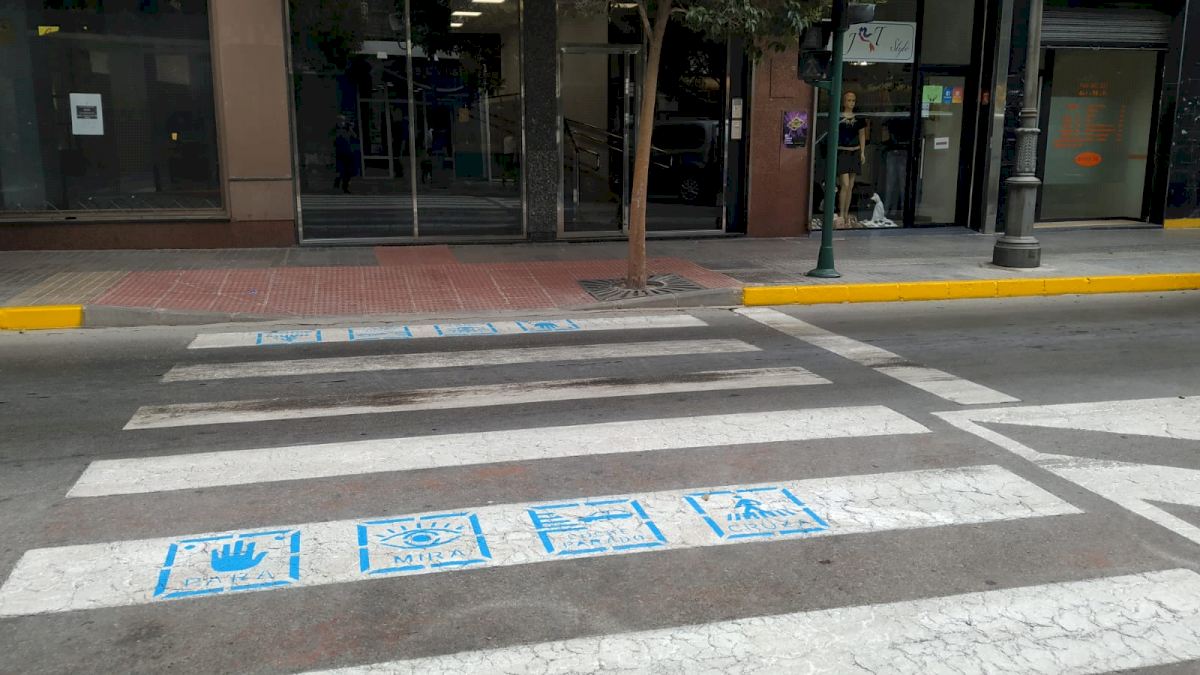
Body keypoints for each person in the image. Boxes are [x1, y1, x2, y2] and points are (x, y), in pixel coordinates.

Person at [836, 91, 868, 227]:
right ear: (844, 102)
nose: (851, 103)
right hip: (842, 151)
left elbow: (862, 135)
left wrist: (862, 152)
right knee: (845, 184)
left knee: (850, 186)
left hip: (855, 152)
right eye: (848, 100)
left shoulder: (859, 118)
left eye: (853, 100)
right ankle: (841, 213)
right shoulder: (838, 117)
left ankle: (846, 213)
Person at [332, 115, 359, 194]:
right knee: (339, 170)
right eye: (340, 121)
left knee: (348, 171)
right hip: (339, 153)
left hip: (348, 152)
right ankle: (337, 185)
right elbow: (333, 139)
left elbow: (355, 136)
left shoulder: (347, 129)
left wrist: (350, 128)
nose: (342, 123)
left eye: (343, 121)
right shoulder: (335, 130)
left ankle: (345, 187)